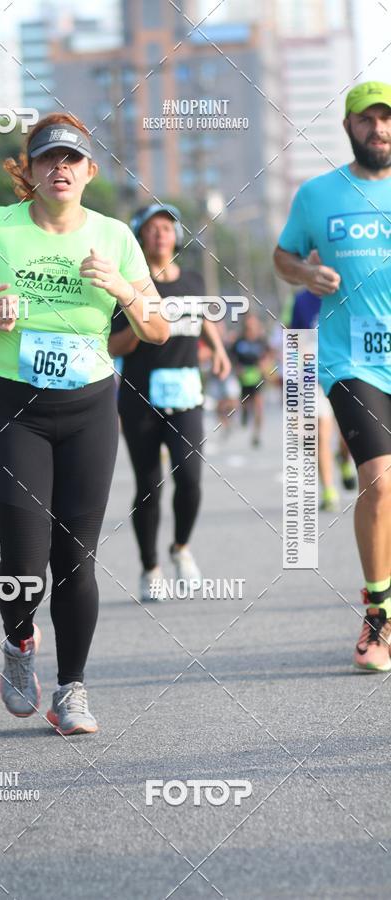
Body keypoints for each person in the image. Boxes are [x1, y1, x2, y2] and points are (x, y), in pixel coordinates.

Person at [0, 113, 168, 733]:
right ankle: (19, 644)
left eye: (72, 160)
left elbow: (157, 327)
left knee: (77, 558)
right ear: (31, 171)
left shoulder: (117, 236)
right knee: (23, 558)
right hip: (17, 406)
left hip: (90, 407)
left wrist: (124, 289)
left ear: (90, 172)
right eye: (47, 159)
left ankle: (72, 690)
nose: (59, 168)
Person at [274, 81, 391, 672]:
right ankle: (378, 614)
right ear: (348, 126)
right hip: (353, 360)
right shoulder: (318, 195)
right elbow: (283, 255)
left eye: (387, 119)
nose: (380, 130)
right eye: (368, 120)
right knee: (378, 481)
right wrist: (303, 274)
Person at [108, 204, 230, 601]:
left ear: (176, 236)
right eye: (153, 228)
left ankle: (180, 547)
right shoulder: (128, 283)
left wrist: (218, 349)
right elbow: (112, 345)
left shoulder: (192, 279)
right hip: (139, 397)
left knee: (190, 478)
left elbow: (205, 316)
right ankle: (150, 568)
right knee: (148, 486)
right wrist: (147, 325)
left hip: (186, 395)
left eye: (168, 227)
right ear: (140, 236)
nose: (162, 234)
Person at [290, 287, 356, 512]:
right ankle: (329, 490)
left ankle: (345, 459)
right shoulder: (301, 300)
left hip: (345, 374)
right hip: (315, 378)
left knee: (349, 434)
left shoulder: (345, 293)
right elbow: (296, 340)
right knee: (320, 434)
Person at [229, 314, 272, 447]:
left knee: (259, 406)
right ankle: (245, 413)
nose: (251, 329)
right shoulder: (239, 341)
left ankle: (256, 435)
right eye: (248, 326)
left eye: (253, 326)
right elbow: (231, 356)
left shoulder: (261, 340)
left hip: (258, 377)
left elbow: (270, 354)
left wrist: (265, 364)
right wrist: (237, 368)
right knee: (245, 403)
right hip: (243, 378)